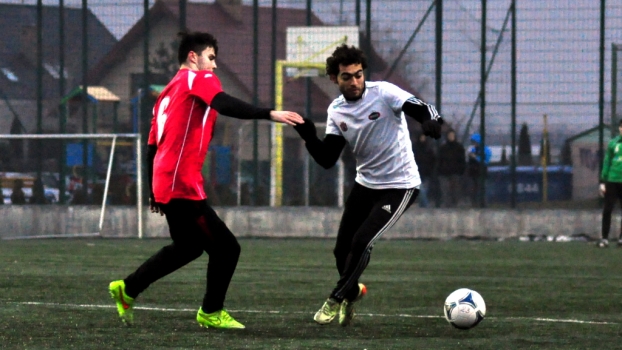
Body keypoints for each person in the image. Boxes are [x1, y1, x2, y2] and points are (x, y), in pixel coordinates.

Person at [108, 31, 303, 329]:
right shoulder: (198, 79)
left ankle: (128, 288)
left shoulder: (166, 93)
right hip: (181, 182)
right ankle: (211, 312)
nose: (214, 66)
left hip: (167, 181)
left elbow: (152, 146)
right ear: (193, 57)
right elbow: (224, 103)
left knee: (188, 247)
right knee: (227, 249)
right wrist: (269, 113)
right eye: (210, 58)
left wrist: (153, 190)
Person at [293, 44, 443, 327]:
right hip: (366, 185)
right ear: (334, 80)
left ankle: (336, 298)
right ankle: (353, 292)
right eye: (347, 77)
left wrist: (430, 121)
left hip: (401, 186)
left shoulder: (383, 92)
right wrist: (308, 136)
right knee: (341, 251)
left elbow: (421, 108)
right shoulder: (336, 110)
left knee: (362, 241)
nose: (354, 82)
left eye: (358, 75)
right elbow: (327, 158)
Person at [597, 120, 622, 248]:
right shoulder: (613, 143)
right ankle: (604, 239)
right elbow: (607, 162)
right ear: (619, 128)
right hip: (612, 180)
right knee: (607, 210)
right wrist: (602, 181)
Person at [437, 129, 466, 208]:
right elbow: (439, 160)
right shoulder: (443, 148)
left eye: (452, 136)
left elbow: (462, 160)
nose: (451, 137)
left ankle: (456, 204)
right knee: (445, 189)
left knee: (455, 189)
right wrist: (439, 170)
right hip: (444, 172)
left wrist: (461, 170)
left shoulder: (459, 147)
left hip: (455, 172)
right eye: (450, 136)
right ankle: (446, 204)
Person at [466, 133, 491, 207]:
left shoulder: (486, 150)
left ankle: (483, 203)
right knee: (474, 189)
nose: (474, 144)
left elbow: (486, 161)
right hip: (473, 172)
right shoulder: (473, 150)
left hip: (482, 172)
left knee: (482, 188)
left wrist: (475, 157)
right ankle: (474, 203)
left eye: (475, 142)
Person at [413, 133, 436, 208]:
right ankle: (425, 204)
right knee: (421, 189)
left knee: (425, 189)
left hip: (426, 171)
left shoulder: (428, 148)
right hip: (417, 171)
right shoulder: (415, 148)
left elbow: (432, 160)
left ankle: (422, 204)